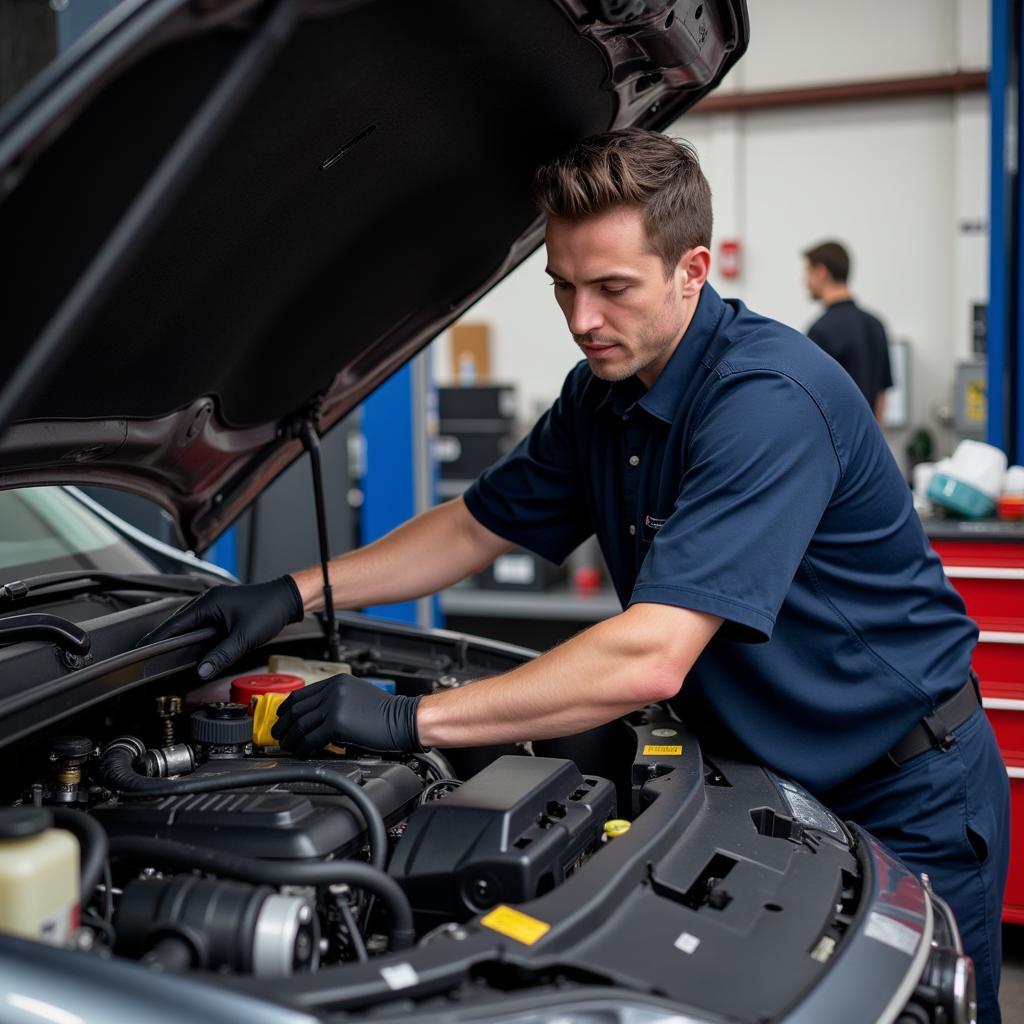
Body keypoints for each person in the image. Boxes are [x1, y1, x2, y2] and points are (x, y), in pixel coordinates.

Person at [146, 130, 1008, 1021]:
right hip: (769, 784)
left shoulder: (764, 402)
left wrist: (412, 718)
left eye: (612, 288)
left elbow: (650, 658)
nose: (582, 318)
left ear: (692, 269)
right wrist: (294, 592)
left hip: (905, 793)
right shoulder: (601, 397)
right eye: (562, 285)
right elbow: (472, 528)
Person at [803, 240, 894, 425]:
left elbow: (813, 398)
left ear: (820, 272)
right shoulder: (876, 324)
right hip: (869, 441)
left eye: (807, 273)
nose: (804, 282)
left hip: (836, 444)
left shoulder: (820, 330)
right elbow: (881, 396)